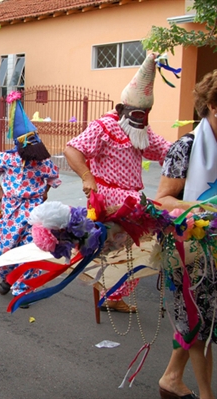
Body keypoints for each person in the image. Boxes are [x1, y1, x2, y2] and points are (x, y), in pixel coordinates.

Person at [64, 53, 171, 312]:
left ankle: (113, 295)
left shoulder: (140, 131)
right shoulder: (103, 126)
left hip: (132, 198)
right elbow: (72, 150)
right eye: (137, 113)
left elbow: (166, 150)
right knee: (148, 230)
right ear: (121, 110)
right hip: (109, 197)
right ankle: (109, 291)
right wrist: (87, 177)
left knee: (132, 249)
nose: (141, 119)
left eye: (146, 114)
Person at [156, 70, 216, 399]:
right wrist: (205, 210)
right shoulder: (186, 148)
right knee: (201, 317)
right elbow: (163, 198)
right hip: (190, 247)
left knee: (200, 316)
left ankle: (171, 378)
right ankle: (208, 394)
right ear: (212, 105)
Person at [0, 92, 61, 297]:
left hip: (34, 209)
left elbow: (53, 179)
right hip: (11, 207)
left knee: (31, 247)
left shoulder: (42, 160)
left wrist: (44, 193)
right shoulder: (7, 158)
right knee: (7, 246)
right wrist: (1, 192)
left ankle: (23, 289)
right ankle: (8, 277)